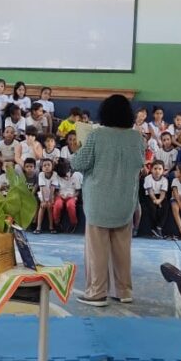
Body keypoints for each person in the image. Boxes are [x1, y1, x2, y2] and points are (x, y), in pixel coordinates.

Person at [71, 95, 145, 306]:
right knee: (123, 249)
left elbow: (78, 163)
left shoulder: (97, 135)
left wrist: (79, 147)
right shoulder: (137, 138)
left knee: (97, 249)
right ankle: (124, 291)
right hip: (125, 201)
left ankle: (97, 292)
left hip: (99, 201)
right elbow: (140, 164)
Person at [142, 161, 169, 238]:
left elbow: (163, 193)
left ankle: (159, 227)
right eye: (155, 168)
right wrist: (155, 200)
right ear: (151, 170)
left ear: (163, 171)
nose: (157, 171)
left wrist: (159, 200)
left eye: (160, 169)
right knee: (152, 208)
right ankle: (153, 227)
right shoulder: (148, 178)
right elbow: (150, 191)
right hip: (150, 196)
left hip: (160, 196)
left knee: (166, 207)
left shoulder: (164, 180)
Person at [35, 158, 59, 234]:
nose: (47, 167)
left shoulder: (55, 174)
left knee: (49, 207)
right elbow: (42, 188)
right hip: (43, 194)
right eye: (44, 165)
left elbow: (53, 188)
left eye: (49, 165)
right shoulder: (41, 174)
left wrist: (50, 200)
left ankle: (51, 227)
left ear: (52, 166)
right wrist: (43, 201)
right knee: (42, 207)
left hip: (52, 194)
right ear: (42, 168)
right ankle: (38, 227)